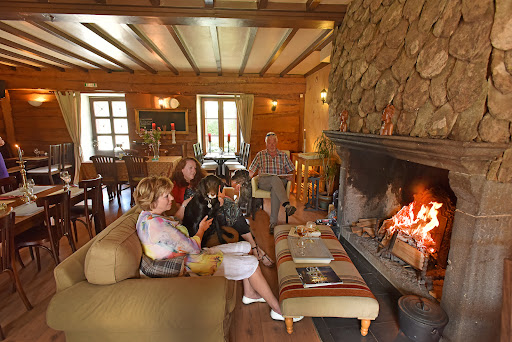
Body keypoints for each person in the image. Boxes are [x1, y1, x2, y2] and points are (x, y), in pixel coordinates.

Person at [133, 176, 303, 323]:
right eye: (166, 196)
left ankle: (250, 294)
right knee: (251, 262)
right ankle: (279, 310)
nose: (171, 198)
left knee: (245, 246)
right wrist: (201, 229)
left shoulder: (149, 217)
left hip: (190, 258)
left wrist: (184, 206)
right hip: (190, 265)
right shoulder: (157, 226)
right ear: (153, 200)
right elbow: (193, 248)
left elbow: (176, 228)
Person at [171, 157, 275, 267]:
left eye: (195, 168)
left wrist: (221, 197)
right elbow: (179, 214)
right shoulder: (176, 186)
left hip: (215, 207)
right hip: (201, 215)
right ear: (181, 170)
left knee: (232, 210)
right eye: (190, 168)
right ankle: (256, 249)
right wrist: (184, 204)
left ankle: (254, 248)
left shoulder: (200, 180)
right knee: (233, 212)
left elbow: (218, 188)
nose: (194, 171)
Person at [248, 132, 296, 234]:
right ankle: (287, 205)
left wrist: (290, 176)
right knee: (274, 179)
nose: (272, 145)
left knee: (276, 187)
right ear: (266, 144)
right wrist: (244, 183)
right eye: (269, 143)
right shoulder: (260, 155)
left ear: (277, 143)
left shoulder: (283, 155)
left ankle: (273, 224)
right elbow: (251, 171)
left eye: (274, 142)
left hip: (279, 182)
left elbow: (291, 170)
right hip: (264, 181)